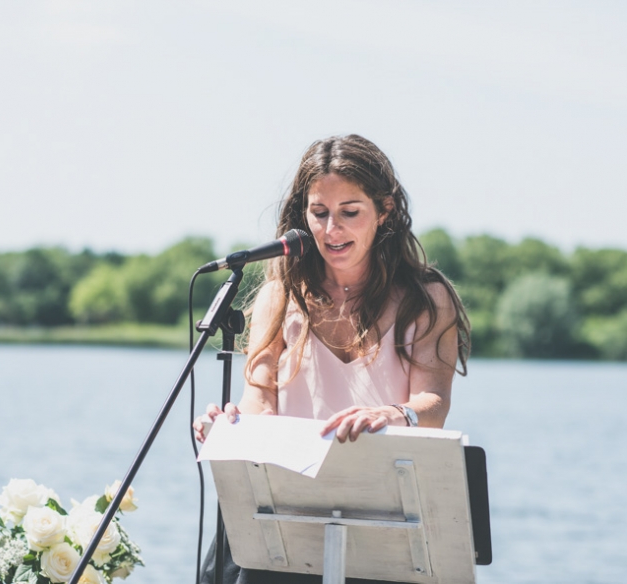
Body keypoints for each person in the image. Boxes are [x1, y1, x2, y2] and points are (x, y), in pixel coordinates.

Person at [193, 134, 470, 584]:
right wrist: (229, 426)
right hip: (284, 524)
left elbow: (434, 403)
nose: (331, 230)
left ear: (386, 210)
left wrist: (394, 413)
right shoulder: (278, 296)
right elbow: (260, 402)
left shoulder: (427, 297)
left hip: (384, 525)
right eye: (319, 213)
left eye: (349, 213)